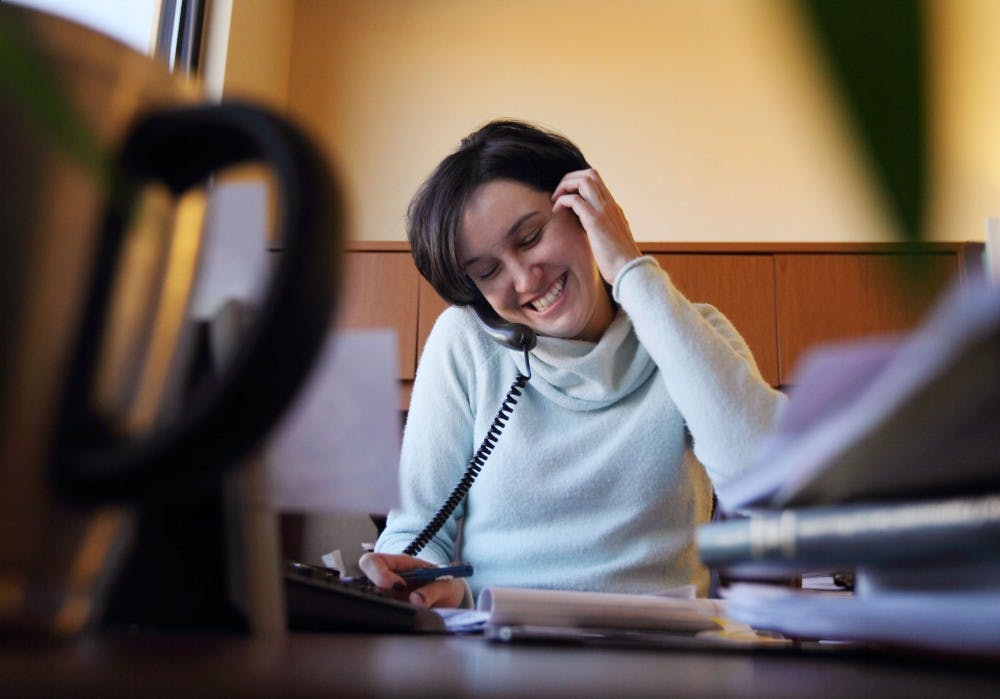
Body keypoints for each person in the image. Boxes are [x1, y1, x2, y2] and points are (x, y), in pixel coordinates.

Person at [359, 120, 785, 608]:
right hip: (501, 643)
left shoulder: (688, 332)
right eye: (488, 271)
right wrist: (428, 582)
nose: (525, 280)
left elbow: (769, 487)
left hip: (661, 646)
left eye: (530, 237)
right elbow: (415, 532)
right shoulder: (466, 342)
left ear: (584, 210)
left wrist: (629, 269)